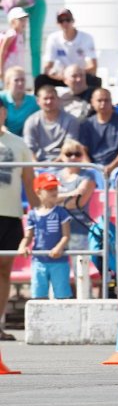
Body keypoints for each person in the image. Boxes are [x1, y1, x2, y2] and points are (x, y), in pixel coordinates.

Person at [0, 98, 37, 340]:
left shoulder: (18, 143)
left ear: (3, 112)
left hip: (11, 215)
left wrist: (39, 213)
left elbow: (30, 184)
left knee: (4, 272)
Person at [17, 172, 71, 299]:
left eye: (55, 188)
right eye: (49, 189)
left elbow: (66, 235)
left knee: (62, 295)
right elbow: (28, 236)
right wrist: (23, 246)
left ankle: (62, 318)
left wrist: (59, 247)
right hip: (38, 261)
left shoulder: (61, 212)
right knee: (38, 295)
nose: (54, 191)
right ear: (38, 192)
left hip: (59, 261)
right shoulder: (32, 214)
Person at [36, 8, 99, 92]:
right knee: (40, 79)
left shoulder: (86, 38)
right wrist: (58, 75)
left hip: (80, 77)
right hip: (61, 77)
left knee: (94, 81)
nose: (65, 23)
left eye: (67, 20)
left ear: (73, 21)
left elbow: (93, 66)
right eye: (61, 21)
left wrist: (75, 75)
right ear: (57, 23)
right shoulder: (53, 38)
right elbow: (47, 67)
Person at [78, 88, 118, 178]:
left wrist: (111, 167)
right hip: (95, 165)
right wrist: (92, 167)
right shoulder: (87, 124)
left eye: (106, 100)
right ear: (92, 102)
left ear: (111, 102)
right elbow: (82, 150)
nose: (103, 104)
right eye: (99, 100)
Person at [55, 138, 95, 255]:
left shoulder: (88, 175)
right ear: (61, 156)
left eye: (77, 154)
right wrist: (70, 194)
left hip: (79, 230)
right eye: (68, 154)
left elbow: (78, 203)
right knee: (59, 269)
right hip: (56, 231)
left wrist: (57, 199)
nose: (73, 157)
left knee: (81, 271)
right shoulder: (55, 175)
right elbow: (46, 200)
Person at [23, 85, 80, 162]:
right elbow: (29, 148)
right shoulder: (31, 121)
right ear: (38, 101)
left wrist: (54, 164)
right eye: (45, 99)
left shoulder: (71, 120)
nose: (49, 101)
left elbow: (70, 147)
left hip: (64, 163)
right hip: (39, 163)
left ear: (58, 100)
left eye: (52, 98)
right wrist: (36, 166)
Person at [0, 66, 38, 136]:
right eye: (16, 80)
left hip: (25, 141)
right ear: (8, 82)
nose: (20, 83)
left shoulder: (34, 101)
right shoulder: (1, 97)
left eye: (22, 80)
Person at [0, 7, 28, 76]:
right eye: (21, 20)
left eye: (25, 20)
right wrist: (1, 69)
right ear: (12, 22)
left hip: (17, 70)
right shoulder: (11, 34)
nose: (24, 22)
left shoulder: (20, 35)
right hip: (9, 70)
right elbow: (2, 51)